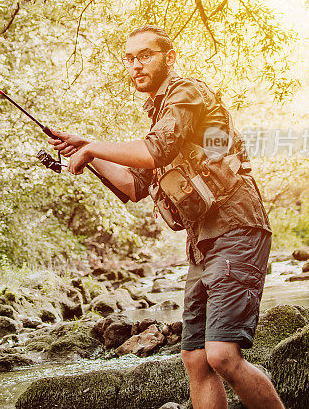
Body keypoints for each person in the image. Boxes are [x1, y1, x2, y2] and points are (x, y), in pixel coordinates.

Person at [48, 25, 284, 409]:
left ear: (169, 58)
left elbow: (156, 150)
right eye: (129, 58)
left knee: (222, 355)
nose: (135, 65)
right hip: (202, 243)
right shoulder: (160, 114)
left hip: (237, 228)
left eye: (145, 55)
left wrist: (92, 148)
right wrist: (85, 146)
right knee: (195, 358)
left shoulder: (187, 93)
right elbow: (133, 185)